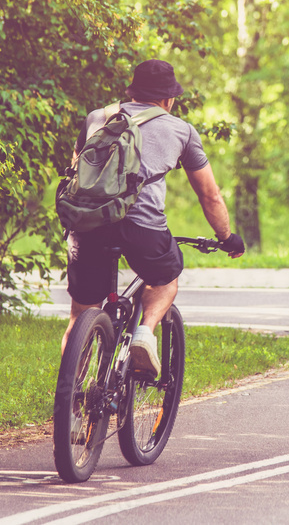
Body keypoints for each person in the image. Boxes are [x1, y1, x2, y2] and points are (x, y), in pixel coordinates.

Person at [64, 59, 245, 375]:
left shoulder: (97, 118)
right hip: (142, 229)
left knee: (80, 315)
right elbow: (210, 195)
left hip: (88, 226)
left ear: (132, 92)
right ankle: (145, 332)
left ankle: (70, 399)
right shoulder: (181, 131)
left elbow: (76, 170)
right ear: (169, 99)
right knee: (166, 278)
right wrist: (226, 237)